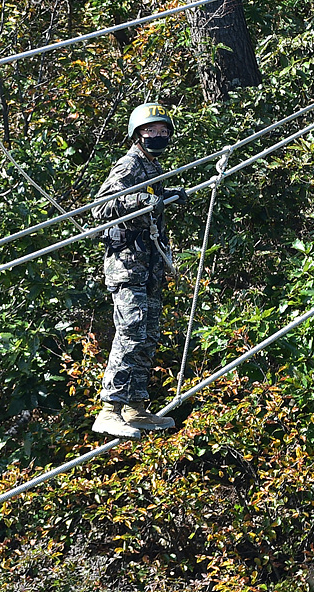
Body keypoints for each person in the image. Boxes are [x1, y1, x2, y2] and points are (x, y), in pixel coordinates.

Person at [90, 102, 188, 439]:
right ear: (137, 134)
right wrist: (140, 201)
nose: (158, 136)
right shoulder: (129, 164)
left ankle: (135, 407)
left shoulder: (152, 167)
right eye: (151, 131)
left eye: (163, 132)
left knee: (147, 335)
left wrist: (168, 196)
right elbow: (101, 206)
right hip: (127, 266)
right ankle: (110, 408)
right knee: (130, 331)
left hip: (150, 267)